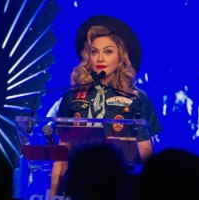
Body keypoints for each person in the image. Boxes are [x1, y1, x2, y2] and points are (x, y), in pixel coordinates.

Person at [48, 15, 162, 199]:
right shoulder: (71, 96)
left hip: (120, 187)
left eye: (108, 51)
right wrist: (53, 196)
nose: (100, 58)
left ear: (121, 56)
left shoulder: (137, 98)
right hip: (78, 187)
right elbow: (62, 154)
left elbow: (146, 152)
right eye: (94, 52)